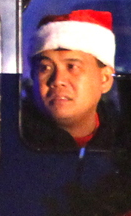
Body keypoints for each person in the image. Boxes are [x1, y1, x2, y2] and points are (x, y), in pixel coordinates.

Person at [25, 9, 120, 152]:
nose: (57, 80)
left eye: (72, 66)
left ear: (105, 79)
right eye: (45, 68)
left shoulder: (129, 143)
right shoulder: (8, 146)